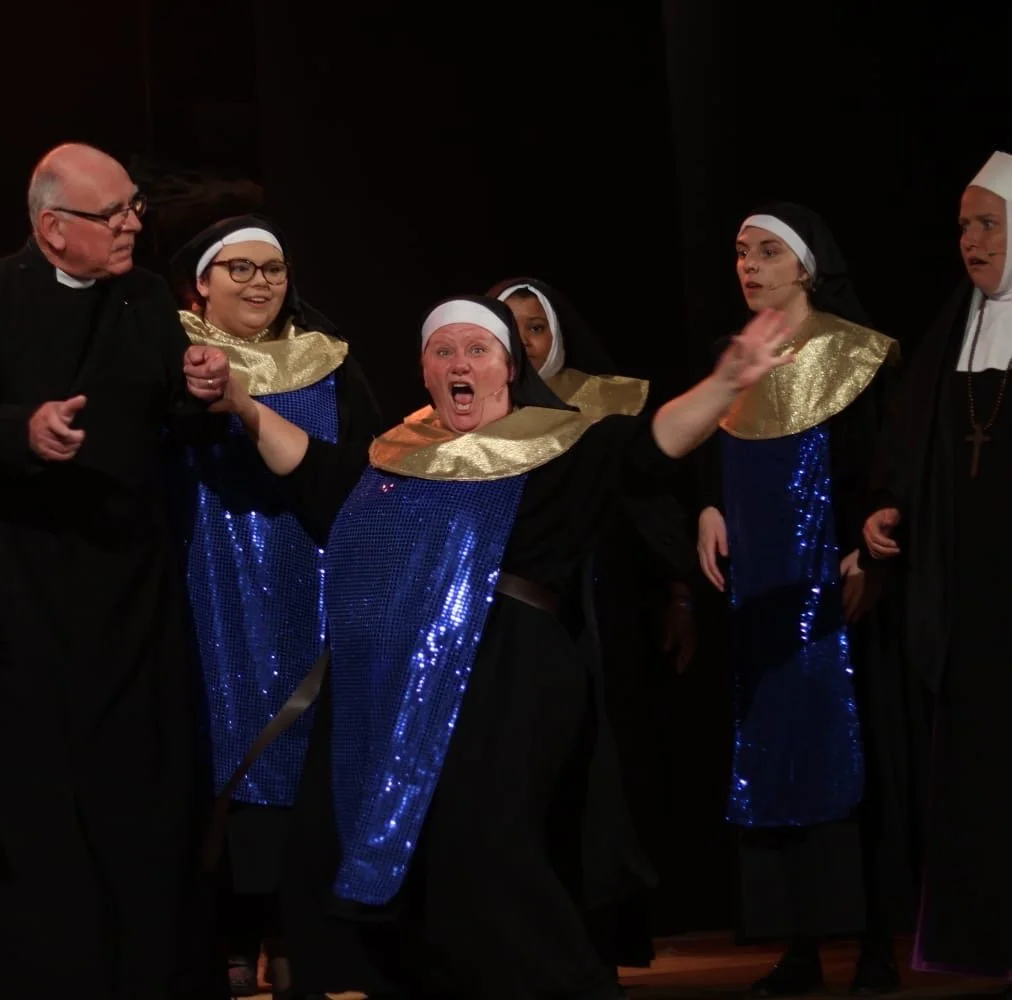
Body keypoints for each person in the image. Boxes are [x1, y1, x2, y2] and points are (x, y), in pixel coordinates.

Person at [213, 292, 792, 999]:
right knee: (396, 866)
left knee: (485, 854)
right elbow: (312, 470)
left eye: (477, 351)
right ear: (425, 372)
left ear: (509, 369)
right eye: (443, 351)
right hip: (396, 693)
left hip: (509, 682)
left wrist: (727, 384)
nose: (460, 364)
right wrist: (242, 404)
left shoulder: (554, 448)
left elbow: (648, 446)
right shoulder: (396, 459)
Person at [0, 142, 232, 1000]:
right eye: (116, 214)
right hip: (19, 590)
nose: (136, 223)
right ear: (53, 230)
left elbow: (171, 417)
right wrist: (24, 431)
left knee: (141, 793)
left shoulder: (142, 296)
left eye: (136, 205)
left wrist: (201, 391)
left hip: (129, 586)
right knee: (33, 801)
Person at [167, 215, 385, 998]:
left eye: (275, 269)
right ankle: (227, 935)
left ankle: (300, 938)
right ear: (201, 282)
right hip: (209, 584)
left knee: (310, 754)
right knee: (222, 750)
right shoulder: (169, 356)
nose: (261, 282)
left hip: (316, 578)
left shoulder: (330, 362)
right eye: (240, 269)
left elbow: (366, 474)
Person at [696, 204, 902, 996]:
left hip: (840, 592)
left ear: (807, 267)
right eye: (741, 252)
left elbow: (885, 464)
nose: (749, 265)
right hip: (763, 602)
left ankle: (878, 940)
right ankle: (799, 943)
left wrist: (869, 551)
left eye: (768, 252)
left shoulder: (860, 355)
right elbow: (704, 448)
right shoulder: (736, 358)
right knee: (774, 760)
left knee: (860, 759)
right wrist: (708, 505)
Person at [490, 277, 697, 986]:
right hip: (519, 631)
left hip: (605, 619)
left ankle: (598, 940)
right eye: (507, 329)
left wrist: (677, 591)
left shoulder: (604, 408)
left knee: (601, 777)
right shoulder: (470, 420)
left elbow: (652, 501)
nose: (524, 342)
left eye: (535, 327)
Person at [865, 150, 1012, 988]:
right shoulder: (951, 332)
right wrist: (887, 506)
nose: (970, 239)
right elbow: (909, 445)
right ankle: (983, 937)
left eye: (988, 222)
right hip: (965, 599)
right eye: (963, 225)